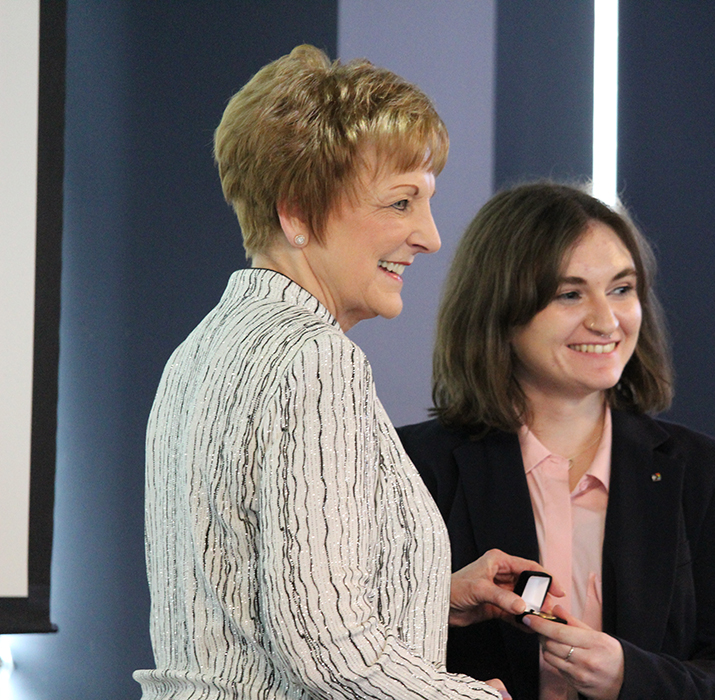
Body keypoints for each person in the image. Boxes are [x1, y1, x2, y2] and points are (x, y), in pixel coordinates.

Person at [135, 46, 550, 700]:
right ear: (297, 211)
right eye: (400, 203)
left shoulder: (200, 349)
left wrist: (427, 593)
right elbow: (326, 650)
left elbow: (248, 603)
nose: (431, 236)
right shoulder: (314, 360)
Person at [398, 182, 715, 700]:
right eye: (570, 293)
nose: (606, 320)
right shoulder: (412, 466)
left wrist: (631, 676)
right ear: (500, 312)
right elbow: (352, 655)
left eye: (621, 289)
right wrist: (435, 601)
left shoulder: (702, 471)